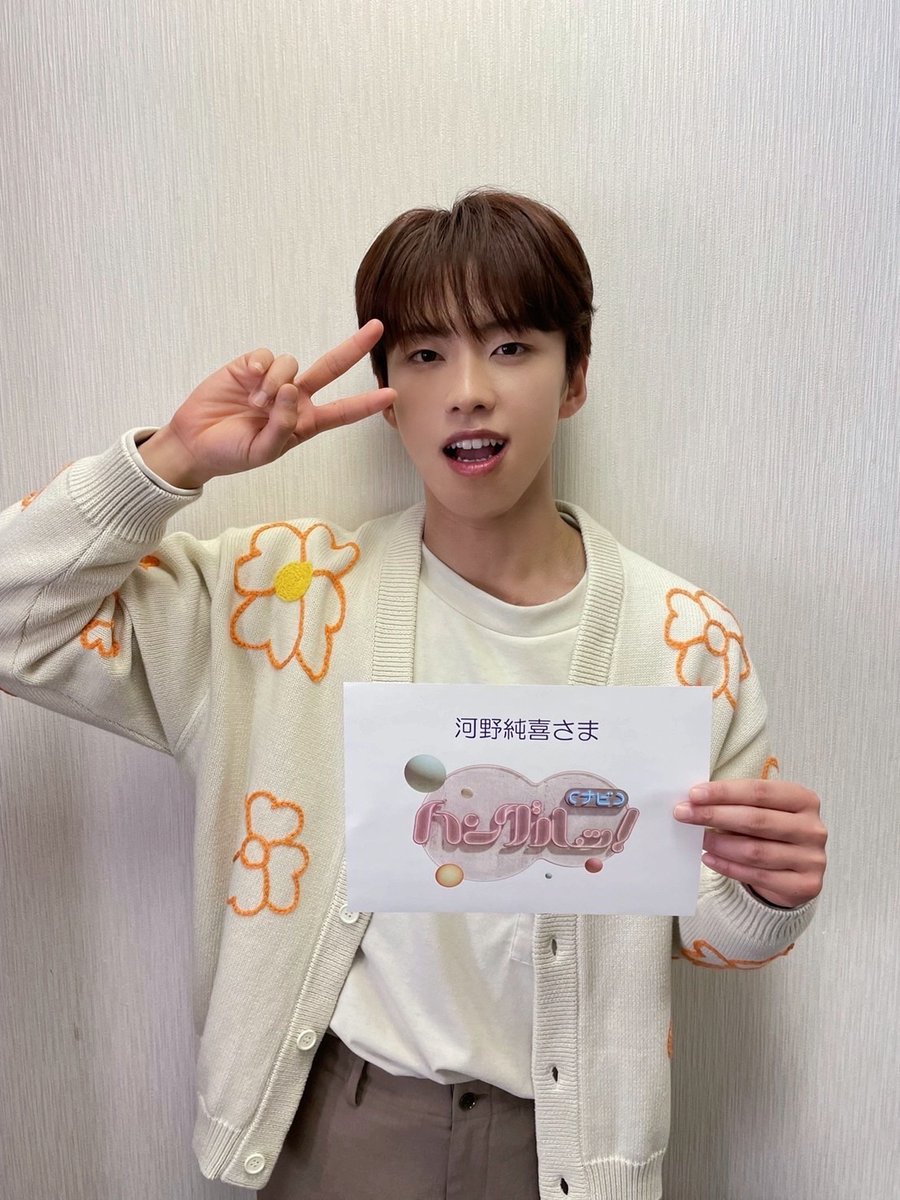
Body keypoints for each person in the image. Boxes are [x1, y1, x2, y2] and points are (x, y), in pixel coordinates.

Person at [0, 190, 826, 1200]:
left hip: (565, 1153)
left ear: (575, 377)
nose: (468, 392)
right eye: (427, 354)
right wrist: (171, 464)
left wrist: (767, 895)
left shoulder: (685, 638)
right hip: (340, 1134)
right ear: (388, 391)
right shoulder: (278, 601)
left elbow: (705, 930)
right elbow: (15, 616)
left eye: (512, 347)